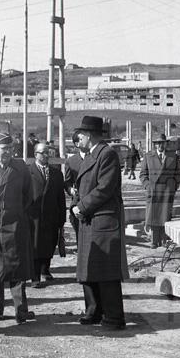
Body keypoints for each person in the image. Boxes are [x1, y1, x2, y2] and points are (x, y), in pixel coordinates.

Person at [71, 115, 128, 330]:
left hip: (102, 220)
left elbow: (104, 188)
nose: (79, 139)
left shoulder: (107, 154)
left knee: (106, 272)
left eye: (81, 135)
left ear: (89, 135)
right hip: (90, 220)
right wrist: (77, 205)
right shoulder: (92, 155)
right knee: (90, 270)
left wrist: (82, 206)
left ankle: (113, 317)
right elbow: (83, 187)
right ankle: (94, 311)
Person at [0, 133, 35, 323]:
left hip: (16, 224)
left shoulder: (20, 167)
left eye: (10, 148)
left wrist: (17, 213)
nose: (7, 152)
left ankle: (21, 311)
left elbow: (28, 195)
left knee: (18, 269)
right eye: (3, 148)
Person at [28, 142, 66, 286]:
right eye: (43, 152)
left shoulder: (56, 173)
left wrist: (62, 218)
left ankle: (45, 269)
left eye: (48, 152)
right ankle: (35, 277)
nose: (46, 155)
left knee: (49, 243)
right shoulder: (28, 172)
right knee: (35, 245)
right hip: (34, 216)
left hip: (51, 215)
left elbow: (60, 197)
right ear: (35, 154)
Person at [139, 133, 180, 248]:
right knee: (153, 216)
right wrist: (148, 186)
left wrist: (174, 186)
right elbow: (143, 174)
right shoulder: (148, 156)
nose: (160, 145)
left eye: (162, 143)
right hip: (153, 191)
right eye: (157, 143)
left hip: (167, 191)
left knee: (165, 216)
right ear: (155, 145)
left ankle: (164, 241)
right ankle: (154, 241)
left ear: (165, 144)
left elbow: (178, 174)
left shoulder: (173, 156)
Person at [64, 130, 86, 246]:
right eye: (82, 138)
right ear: (77, 144)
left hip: (94, 202)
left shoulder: (96, 158)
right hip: (78, 202)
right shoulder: (71, 161)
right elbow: (67, 183)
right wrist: (71, 191)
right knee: (80, 235)